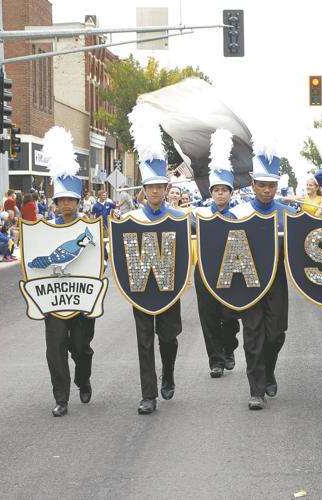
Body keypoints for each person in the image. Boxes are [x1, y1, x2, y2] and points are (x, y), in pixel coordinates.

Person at [125, 103, 187, 415]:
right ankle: (147, 394)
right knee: (144, 342)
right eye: (150, 187)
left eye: (160, 186)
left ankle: (169, 372)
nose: (155, 191)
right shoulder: (132, 218)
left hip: (169, 288)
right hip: (140, 287)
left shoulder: (179, 217)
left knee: (168, 339)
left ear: (166, 187)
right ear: (144, 189)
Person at [228, 134, 296, 410]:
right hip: (248, 280)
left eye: (271, 186)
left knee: (276, 332)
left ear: (277, 187)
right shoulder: (239, 212)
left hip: (277, 279)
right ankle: (256, 389)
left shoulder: (288, 213)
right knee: (253, 333)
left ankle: (268, 371)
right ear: (254, 185)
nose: (267, 190)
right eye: (262, 185)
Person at [38, 126, 97, 416]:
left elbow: (100, 261)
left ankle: (83, 378)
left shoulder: (90, 229)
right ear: (56, 203)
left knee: (80, 348)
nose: (65, 205)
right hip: (54, 299)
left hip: (83, 300)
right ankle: (61, 397)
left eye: (70, 200)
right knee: (55, 349)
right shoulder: (44, 229)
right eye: (61, 200)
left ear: (77, 201)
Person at [191, 129, 241, 379]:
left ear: (230, 193)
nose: (220, 194)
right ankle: (216, 360)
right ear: (210, 193)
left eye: (225, 190)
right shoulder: (198, 213)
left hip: (232, 272)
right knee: (209, 317)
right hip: (205, 270)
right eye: (216, 190)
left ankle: (229, 347)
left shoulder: (240, 215)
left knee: (230, 316)